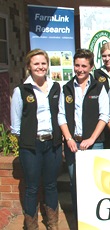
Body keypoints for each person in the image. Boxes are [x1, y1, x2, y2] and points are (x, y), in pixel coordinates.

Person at [10, 48, 62, 229]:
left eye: (43, 63)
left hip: (53, 144)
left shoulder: (56, 87)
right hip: (31, 146)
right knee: (31, 187)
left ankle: (53, 223)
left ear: (47, 65)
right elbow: (16, 125)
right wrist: (27, 140)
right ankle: (31, 225)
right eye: (36, 64)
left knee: (50, 185)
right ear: (29, 67)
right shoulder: (21, 90)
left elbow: (60, 114)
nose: (40, 67)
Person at [58, 49, 110, 220]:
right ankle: (79, 219)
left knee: (96, 182)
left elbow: (104, 116)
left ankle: (96, 219)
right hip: (73, 145)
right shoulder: (66, 88)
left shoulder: (99, 87)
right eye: (77, 65)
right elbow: (61, 115)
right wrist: (69, 139)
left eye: (84, 66)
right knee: (75, 184)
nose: (79, 69)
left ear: (91, 67)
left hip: (95, 144)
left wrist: (92, 139)